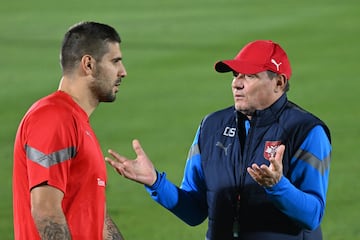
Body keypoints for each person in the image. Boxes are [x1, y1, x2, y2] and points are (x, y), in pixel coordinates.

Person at [105, 40, 332, 240]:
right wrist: (155, 182)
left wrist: (278, 186)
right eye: (236, 75)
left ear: (279, 83)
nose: (237, 83)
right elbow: (194, 211)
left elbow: (312, 216)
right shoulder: (212, 127)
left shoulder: (306, 131)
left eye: (250, 76)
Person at [13, 21, 127, 240]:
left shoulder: (77, 122)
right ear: (88, 64)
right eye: (115, 61)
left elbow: (99, 219)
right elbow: (46, 211)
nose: (123, 72)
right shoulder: (53, 117)